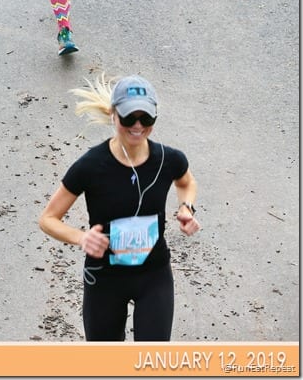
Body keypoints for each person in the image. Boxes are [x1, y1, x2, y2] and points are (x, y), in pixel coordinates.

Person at [39, 73, 201, 342]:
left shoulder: (169, 159)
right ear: (114, 114)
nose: (138, 126)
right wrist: (82, 237)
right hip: (105, 278)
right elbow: (48, 218)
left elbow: (186, 181)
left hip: (154, 274)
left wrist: (186, 208)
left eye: (146, 118)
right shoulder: (91, 166)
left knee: (153, 364)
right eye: (129, 118)